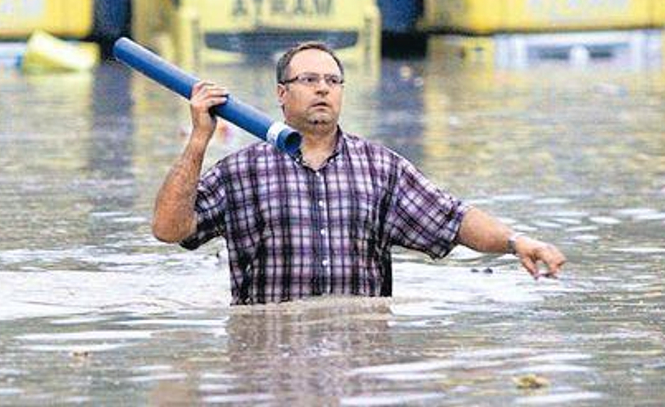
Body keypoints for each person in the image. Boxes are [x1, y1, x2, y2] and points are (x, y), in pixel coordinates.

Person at [153, 41, 566, 305]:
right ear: (282, 94)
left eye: (333, 80)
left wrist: (516, 242)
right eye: (309, 79)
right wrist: (198, 140)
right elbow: (169, 230)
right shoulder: (241, 172)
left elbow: (452, 220)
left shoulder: (380, 168)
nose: (322, 89)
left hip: (358, 360)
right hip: (266, 362)